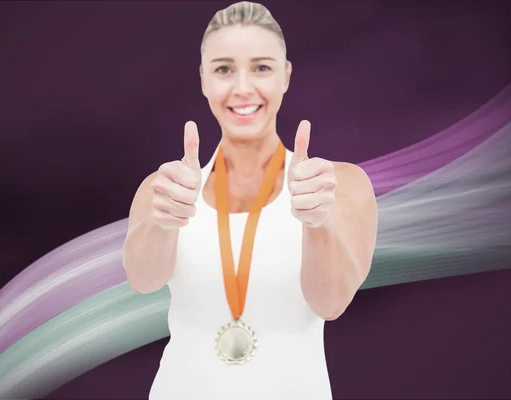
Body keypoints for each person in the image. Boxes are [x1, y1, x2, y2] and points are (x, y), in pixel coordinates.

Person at [122, 2, 378, 399]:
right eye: (224, 69)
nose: (242, 88)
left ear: (286, 76)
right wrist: (163, 222)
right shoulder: (167, 187)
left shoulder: (337, 185)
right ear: (204, 79)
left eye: (261, 67)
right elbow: (142, 280)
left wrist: (318, 223)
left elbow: (329, 303)